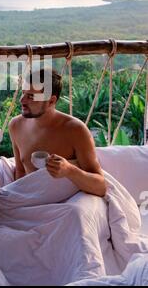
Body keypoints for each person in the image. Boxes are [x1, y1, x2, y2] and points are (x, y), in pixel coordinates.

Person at [9, 68, 106, 197]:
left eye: (31, 96)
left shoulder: (75, 130)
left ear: (51, 101)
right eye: (23, 93)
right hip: (31, 201)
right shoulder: (16, 125)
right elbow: (20, 172)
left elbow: (101, 187)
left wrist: (70, 170)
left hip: (67, 201)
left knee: (76, 213)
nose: (22, 100)